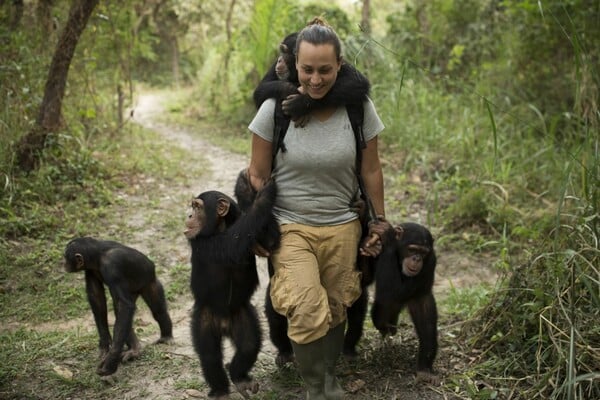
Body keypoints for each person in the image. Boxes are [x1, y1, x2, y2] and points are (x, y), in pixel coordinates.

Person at [247, 17, 387, 400]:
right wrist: (257, 228)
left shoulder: (357, 107)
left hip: (343, 223)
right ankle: (315, 388)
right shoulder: (274, 108)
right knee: (307, 307)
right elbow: (256, 176)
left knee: (337, 305)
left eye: (324, 70)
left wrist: (379, 220)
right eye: (307, 69)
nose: (315, 78)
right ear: (295, 64)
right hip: (290, 225)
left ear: (339, 65)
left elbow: (371, 168)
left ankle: (328, 377)